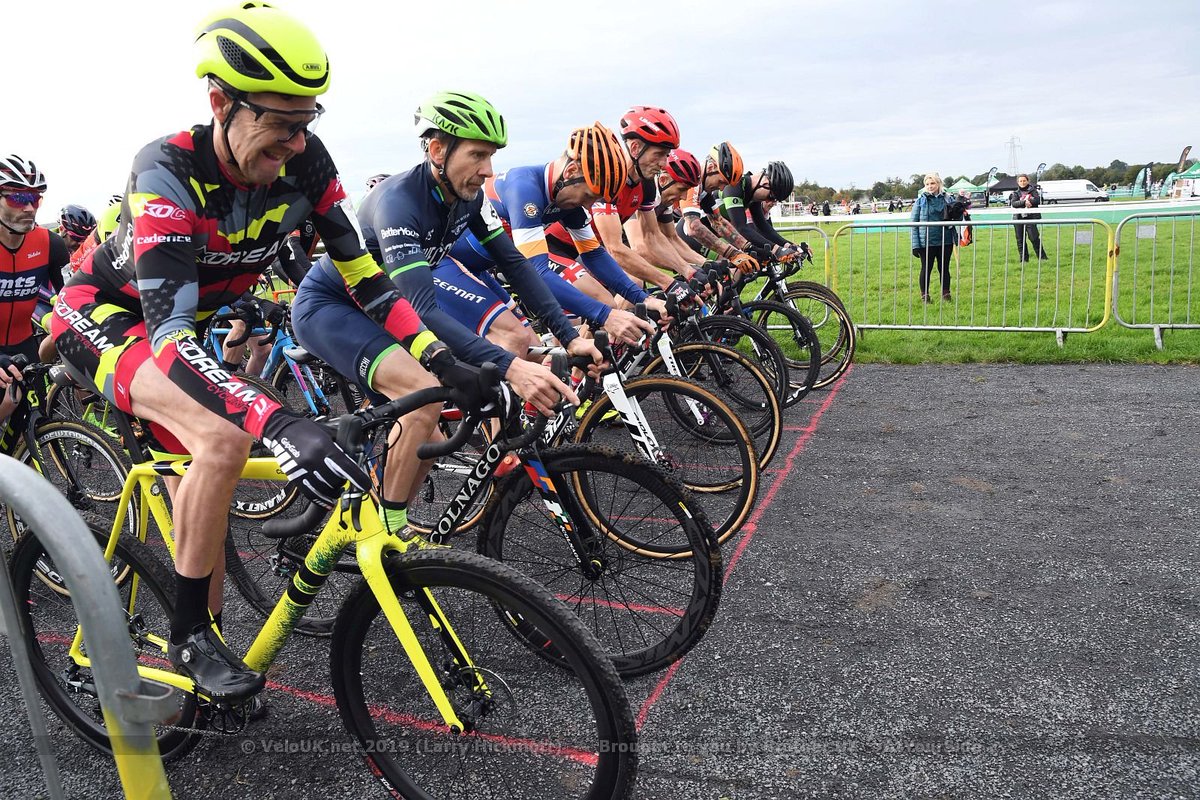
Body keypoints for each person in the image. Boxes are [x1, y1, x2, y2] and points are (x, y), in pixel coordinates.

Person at [50, 3, 447, 703]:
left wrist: (441, 361)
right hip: (103, 316)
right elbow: (168, 334)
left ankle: (200, 653)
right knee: (227, 439)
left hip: (177, 325)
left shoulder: (307, 163)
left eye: (308, 122)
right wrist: (281, 421)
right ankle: (190, 636)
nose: (297, 144)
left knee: (202, 482)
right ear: (219, 103)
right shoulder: (165, 168)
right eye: (279, 124)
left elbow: (366, 281)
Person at [292, 92, 602, 523]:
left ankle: (382, 511)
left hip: (387, 310)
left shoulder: (470, 200)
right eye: (477, 155)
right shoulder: (398, 201)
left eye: (491, 156)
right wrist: (513, 368)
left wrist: (568, 336)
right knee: (423, 400)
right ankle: (388, 532)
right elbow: (420, 308)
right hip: (330, 309)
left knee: (432, 418)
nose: (488, 170)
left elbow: (515, 264)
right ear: (437, 150)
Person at [446, 121, 657, 346]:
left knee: (532, 348)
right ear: (571, 171)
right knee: (516, 340)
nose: (587, 206)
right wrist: (606, 314)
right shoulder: (524, 187)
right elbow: (537, 271)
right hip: (447, 265)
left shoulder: (568, 198)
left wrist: (644, 298)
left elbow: (594, 254)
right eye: (589, 195)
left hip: (477, 269)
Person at [0, 155, 70, 418]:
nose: (29, 207)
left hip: (25, 345)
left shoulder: (52, 244)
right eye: (17, 198)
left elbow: (70, 299)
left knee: (34, 421)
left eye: (35, 198)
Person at [910, 172, 959, 302]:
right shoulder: (920, 201)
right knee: (926, 268)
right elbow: (913, 223)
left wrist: (959, 208)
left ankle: (946, 294)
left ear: (938, 184)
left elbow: (956, 217)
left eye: (932, 183)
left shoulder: (948, 199)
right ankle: (925, 295)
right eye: (927, 184)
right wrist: (915, 245)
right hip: (926, 241)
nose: (930, 186)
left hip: (945, 239)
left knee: (944, 268)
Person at [1010, 174, 1047, 262]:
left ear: (1027, 181)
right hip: (1018, 219)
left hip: (1030, 218)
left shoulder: (1033, 191)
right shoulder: (1015, 193)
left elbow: (1037, 200)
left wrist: (1029, 201)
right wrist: (1024, 202)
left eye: (1024, 181)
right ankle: (1024, 260)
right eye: (1020, 181)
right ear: (1018, 182)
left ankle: (1042, 258)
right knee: (1020, 240)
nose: (1022, 182)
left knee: (1034, 238)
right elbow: (1014, 203)